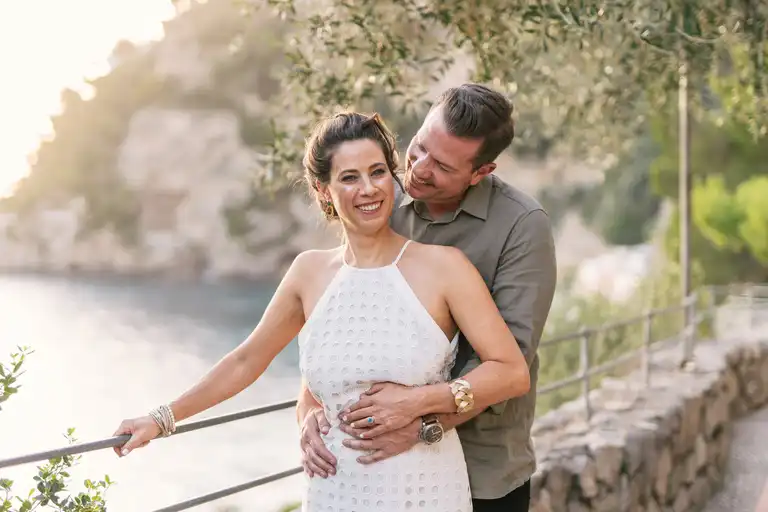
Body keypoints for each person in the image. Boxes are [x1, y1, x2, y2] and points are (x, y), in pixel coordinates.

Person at [112, 110, 532, 511]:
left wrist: (418, 402)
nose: (368, 189)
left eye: (377, 172)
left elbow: (511, 372)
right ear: (323, 190)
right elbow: (246, 360)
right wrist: (161, 419)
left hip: (421, 490)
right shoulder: (307, 272)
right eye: (349, 177)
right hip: (333, 491)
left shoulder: (445, 267)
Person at [297, 84, 558, 511]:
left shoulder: (522, 226)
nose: (417, 169)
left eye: (441, 165)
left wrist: (420, 424)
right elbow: (339, 318)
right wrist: (309, 408)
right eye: (419, 147)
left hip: (484, 469)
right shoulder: (381, 196)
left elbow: (511, 364)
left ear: (481, 171)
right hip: (375, 474)